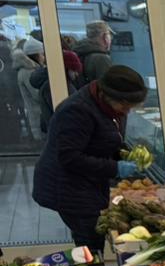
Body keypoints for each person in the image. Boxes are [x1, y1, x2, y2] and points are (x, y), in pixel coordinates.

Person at [31, 64, 146, 249]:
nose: (127, 111)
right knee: (90, 242)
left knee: (91, 239)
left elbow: (99, 139)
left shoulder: (104, 105)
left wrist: (122, 153)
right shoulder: (77, 110)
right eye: (124, 105)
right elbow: (69, 157)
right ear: (108, 95)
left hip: (86, 183)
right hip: (69, 187)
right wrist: (116, 168)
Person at [74, 21, 112, 85]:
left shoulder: (78, 51)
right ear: (104, 36)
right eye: (109, 35)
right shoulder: (102, 59)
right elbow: (108, 87)